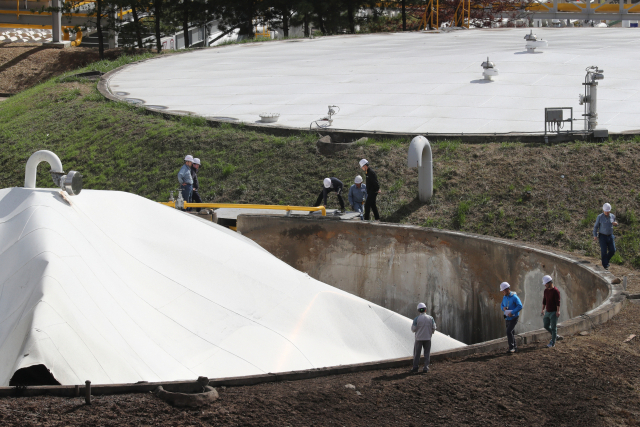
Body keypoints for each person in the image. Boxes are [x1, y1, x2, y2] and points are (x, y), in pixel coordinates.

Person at [411, 302, 436, 374]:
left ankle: (415, 367)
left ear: (418, 310)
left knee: (417, 354)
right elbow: (434, 327)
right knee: (427, 353)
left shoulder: (416, 319)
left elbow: (413, 329)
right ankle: (426, 368)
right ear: (425, 310)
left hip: (418, 338)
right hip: (428, 338)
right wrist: (430, 332)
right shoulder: (431, 318)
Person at [592, 203, 618, 270]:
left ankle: (606, 260)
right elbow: (596, 227)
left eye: (608, 211)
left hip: (610, 236)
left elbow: (615, 223)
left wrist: (616, 224)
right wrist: (595, 235)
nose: (607, 212)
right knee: (604, 251)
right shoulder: (600, 217)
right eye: (605, 211)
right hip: (602, 236)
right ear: (603, 210)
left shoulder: (612, 216)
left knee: (613, 250)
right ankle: (605, 265)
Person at [500, 282, 523, 353]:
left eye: (503, 290)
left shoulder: (514, 297)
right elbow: (501, 305)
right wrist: (503, 308)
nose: (502, 292)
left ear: (507, 289)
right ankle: (515, 348)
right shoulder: (504, 297)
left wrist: (512, 312)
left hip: (514, 317)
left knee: (508, 331)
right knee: (511, 332)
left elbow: (520, 306)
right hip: (507, 317)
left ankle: (511, 348)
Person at [541, 275, 561, 348]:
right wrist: (542, 309)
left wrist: (558, 311)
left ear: (549, 283)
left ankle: (552, 342)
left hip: (553, 312)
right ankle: (554, 335)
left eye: (546, 284)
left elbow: (558, 302)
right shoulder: (546, 290)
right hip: (547, 311)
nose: (545, 285)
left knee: (553, 327)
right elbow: (544, 300)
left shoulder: (556, 291)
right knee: (546, 325)